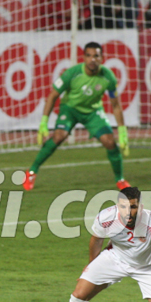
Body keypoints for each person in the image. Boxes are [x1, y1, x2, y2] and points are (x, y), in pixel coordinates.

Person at [23, 41, 130, 191]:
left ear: (102, 58)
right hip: (70, 109)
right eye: (89, 56)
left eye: (96, 56)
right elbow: (53, 95)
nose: (92, 59)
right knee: (59, 136)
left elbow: (116, 105)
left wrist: (122, 131)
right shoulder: (72, 73)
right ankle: (31, 172)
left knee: (110, 142)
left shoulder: (108, 77)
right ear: (84, 57)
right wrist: (44, 121)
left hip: (93, 112)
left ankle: (120, 180)